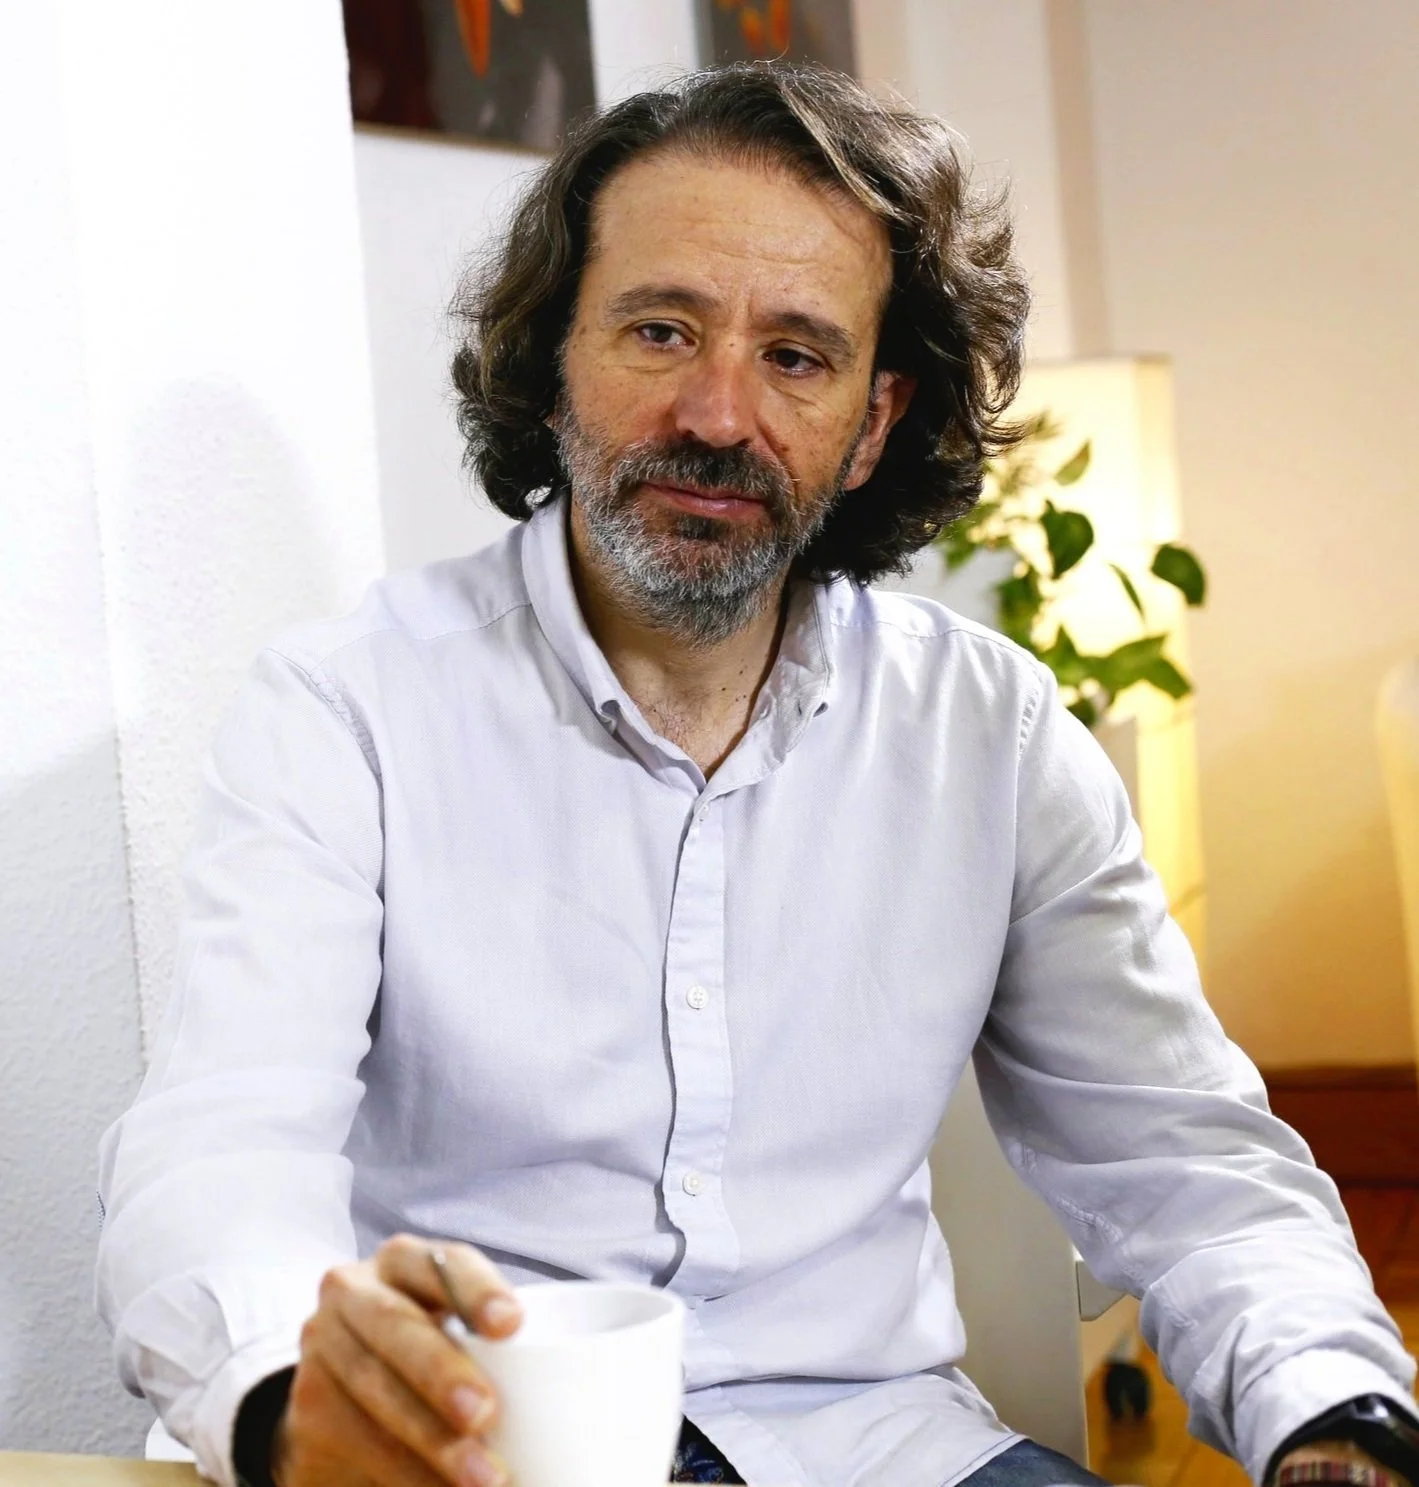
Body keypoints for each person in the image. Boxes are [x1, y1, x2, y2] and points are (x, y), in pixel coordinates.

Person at [96, 62, 1417, 1487]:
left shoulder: (993, 730)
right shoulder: (345, 708)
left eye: (795, 354)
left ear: (868, 422)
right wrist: (293, 1402)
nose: (719, 414)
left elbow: (1185, 1164)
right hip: (500, 1450)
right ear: (551, 363)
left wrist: (1331, 1417)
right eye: (660, 330)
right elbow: (218, 1155)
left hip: (886, 1449)